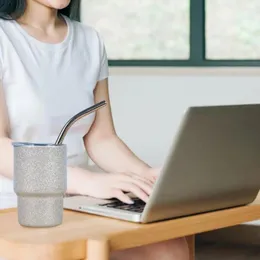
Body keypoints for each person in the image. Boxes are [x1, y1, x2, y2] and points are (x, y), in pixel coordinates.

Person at [0, 1, 189, 259]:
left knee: (169, 248)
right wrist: (86, 181)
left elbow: (101, 138)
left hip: (78, 203)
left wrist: (146, 177)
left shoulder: (89, 40)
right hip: (14, 207)